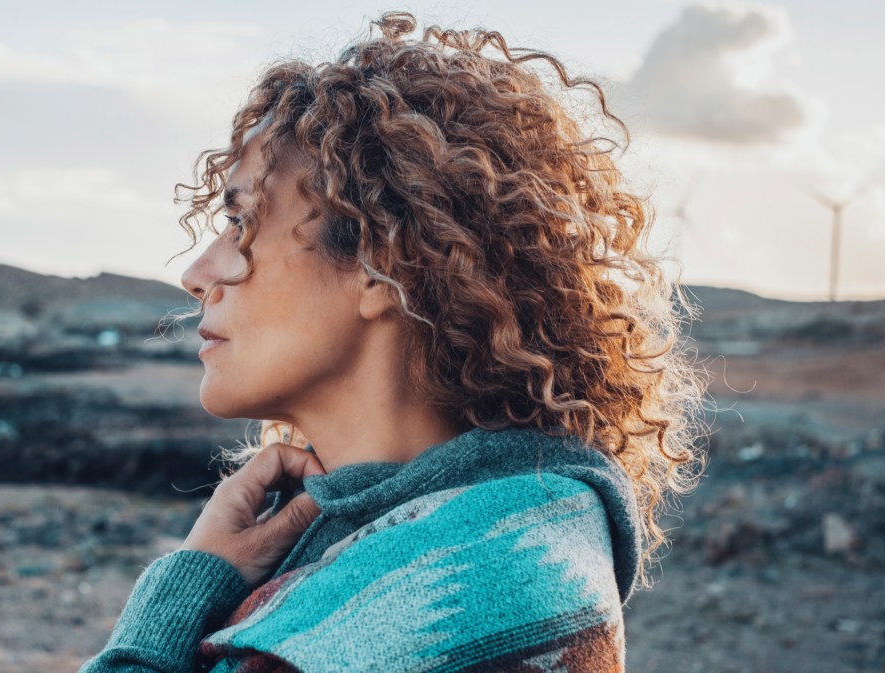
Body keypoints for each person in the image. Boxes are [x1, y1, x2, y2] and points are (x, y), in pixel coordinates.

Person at [80, 11, 704, 673]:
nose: (196, 273)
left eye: (242, 222)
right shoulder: (511, 534)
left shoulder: (470, 590)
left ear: (382, 265)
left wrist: (177, 596)